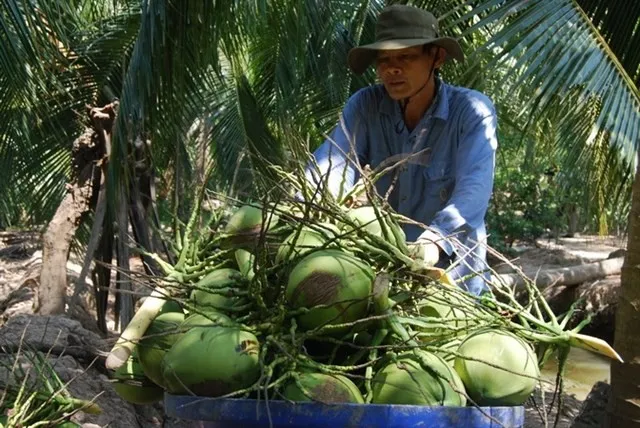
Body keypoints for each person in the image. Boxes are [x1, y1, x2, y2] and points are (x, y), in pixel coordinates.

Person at [304, 4, 498, 296]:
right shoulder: (365, 106)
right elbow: (333, 165)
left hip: (455, 282)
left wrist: (433, 245)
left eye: (405, 57)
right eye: (383, 59)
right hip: (387, 278)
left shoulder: (471, 112)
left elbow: (473, 192)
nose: (391, 69)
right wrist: (307, 203)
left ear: (437, 57)